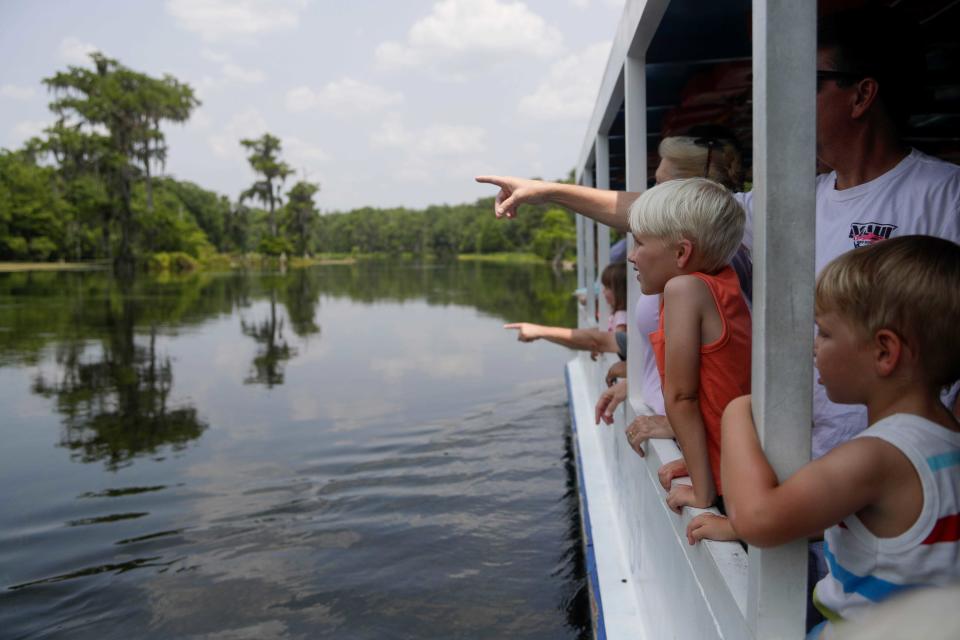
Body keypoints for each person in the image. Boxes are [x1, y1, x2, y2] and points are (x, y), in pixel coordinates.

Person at [715, 236, 960, 639]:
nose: (814, 348)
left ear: (884, 351)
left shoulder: (879, 457)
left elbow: (758, 518)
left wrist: (738, 410)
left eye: (825, 333)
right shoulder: (944, 443)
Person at [600, 178, 751, 511]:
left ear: (682, 253)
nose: (632, 257)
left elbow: (682, 397)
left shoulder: (683, 291)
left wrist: (702, 489)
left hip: (735, 482)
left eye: (639, 244)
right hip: (735, 456)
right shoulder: (721, 282)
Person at [504, 261, 627, 357]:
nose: (603, 291)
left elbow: (610, 340)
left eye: (608, 288)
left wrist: (539, 331)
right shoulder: (616, 314)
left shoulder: (622, 316)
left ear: (621, 291)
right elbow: (602, 337)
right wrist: (540, 332)